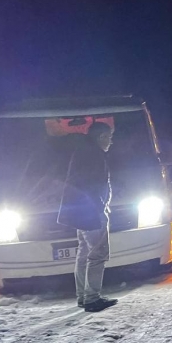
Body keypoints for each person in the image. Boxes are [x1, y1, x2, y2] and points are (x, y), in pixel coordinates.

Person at [57, 121, 117, 312]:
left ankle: (83, 297)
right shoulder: (95, 155)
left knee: (83, 254)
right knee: (98, 255)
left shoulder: (81, 152)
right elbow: (96, 186)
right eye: (109, 137)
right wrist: (102, 208)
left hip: (79, 213)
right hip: (92, 213)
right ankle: (92, 298)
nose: (111, 142)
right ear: (101, 137)